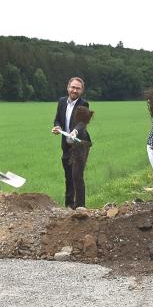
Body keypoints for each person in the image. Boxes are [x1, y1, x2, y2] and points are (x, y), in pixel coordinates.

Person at [51, 77, 92, 208]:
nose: (75, 90)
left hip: (80, 145)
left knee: (77, 176)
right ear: (68, 88)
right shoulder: (62, 102)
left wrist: (75, 131)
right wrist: (57, 127)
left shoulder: (83, 104)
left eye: (78, 88)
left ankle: (80, 207)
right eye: (73, 87)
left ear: (82, 91)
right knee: (68, 176)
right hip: (66, 145)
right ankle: (69, 206)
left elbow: (82, 122)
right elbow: (57, 119)